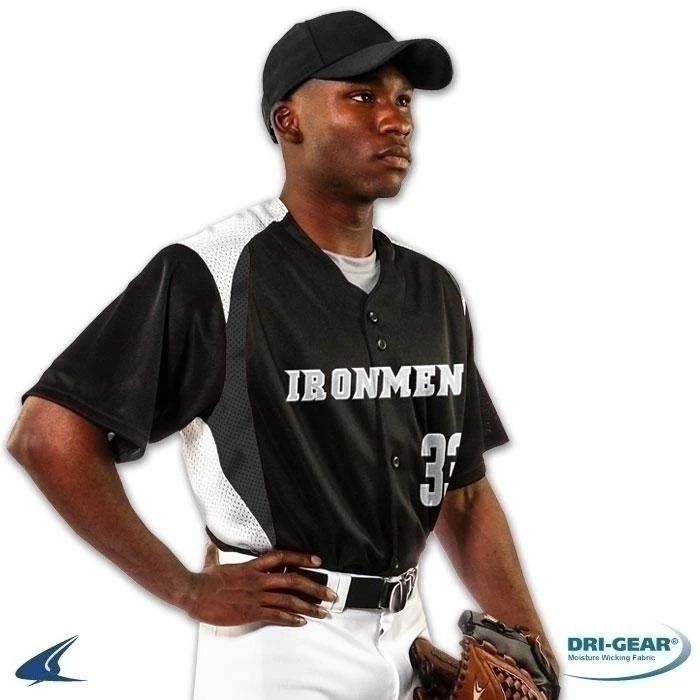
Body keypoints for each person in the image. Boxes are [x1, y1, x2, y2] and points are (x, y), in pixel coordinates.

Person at [7, 10, 558, 700]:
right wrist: (185, 589)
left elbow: (464, 494)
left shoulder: (435, 291)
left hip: (411, 632)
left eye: (403, 99)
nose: (396, 120)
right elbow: (47, 435)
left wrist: (536, 653)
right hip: (283, 641)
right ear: (288, 120)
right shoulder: (213, 272)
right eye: (362, 96)